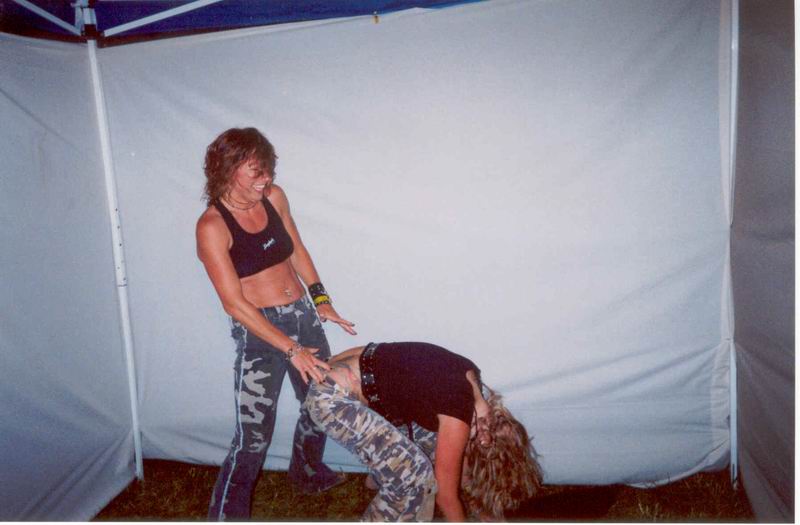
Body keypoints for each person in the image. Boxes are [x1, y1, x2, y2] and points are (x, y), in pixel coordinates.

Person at [196, 127, 356, 520]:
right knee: (253, 437)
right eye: (256, 172)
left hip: (302, 315)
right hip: (260, 330)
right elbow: (234, 304)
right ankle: (226, 516)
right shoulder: (212, 226)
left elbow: (296, 249)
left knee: (322, 404)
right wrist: (291, 349)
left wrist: (321, 301)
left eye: (267, 169)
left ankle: (307, 473)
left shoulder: (274, 197)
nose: (265, 179)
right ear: (227, 169)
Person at [304, 342, 543, 521]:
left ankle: (379, 478)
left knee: (432, 444)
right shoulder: (458, 415)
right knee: (416, 479)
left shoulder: (472, 379)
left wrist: (485, 514)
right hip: (331, 399)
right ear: (485, 439)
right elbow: (446, 498)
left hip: (335, 373)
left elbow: (459, 469)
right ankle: (389, 485)